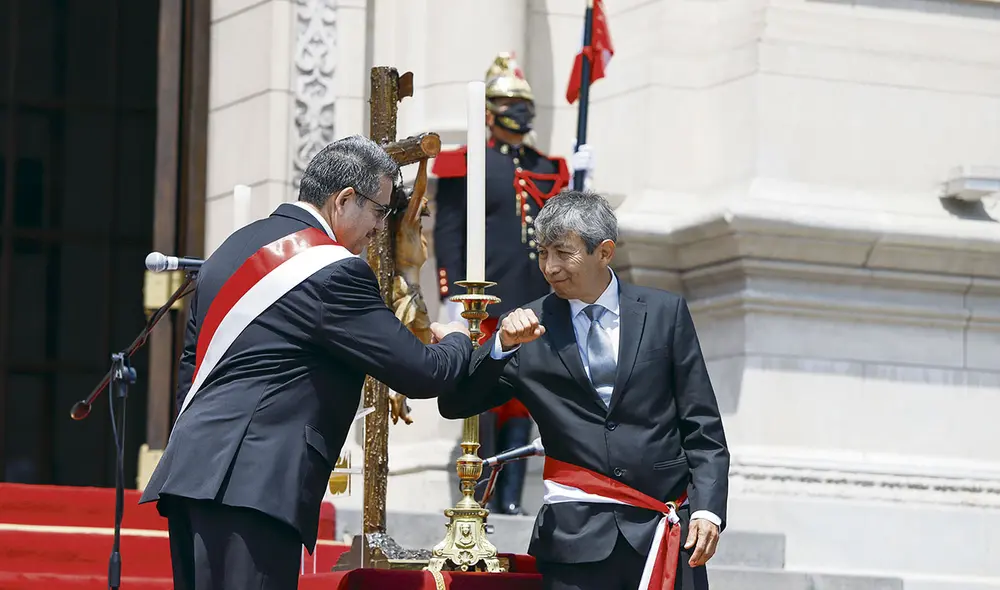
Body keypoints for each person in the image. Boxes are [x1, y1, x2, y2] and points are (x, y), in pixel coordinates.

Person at [140, 135, 472, 590]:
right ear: (345, 200)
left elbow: (190, 364)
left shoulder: (231, 249)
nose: (381, 228)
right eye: (379, 211)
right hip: (256, 484)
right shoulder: (334, 271)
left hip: (192, 472)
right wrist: (458, 338)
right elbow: (420, 371)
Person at [438, 191, 730, 590]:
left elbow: (702, 426)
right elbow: (457, 403)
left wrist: (709, 512)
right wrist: (501, 347)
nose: (550, 268)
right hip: (575, 544)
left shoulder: (665, 314)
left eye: (563, 252)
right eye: (543, 253)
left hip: (664, 533)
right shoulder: (524, 327)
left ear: (604, 252)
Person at [432, 53, 591, 514]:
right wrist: (449, 292)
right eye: (505, 102)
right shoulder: (467, 163)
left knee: (523, 399)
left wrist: (581, 181)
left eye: (521, 103)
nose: (516, 112)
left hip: (535, 297)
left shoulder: (549, 167)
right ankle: (475, 495)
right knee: (483, 395)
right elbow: (448, 232)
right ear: (488, 109)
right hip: (484, 296)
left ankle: (511, 500)